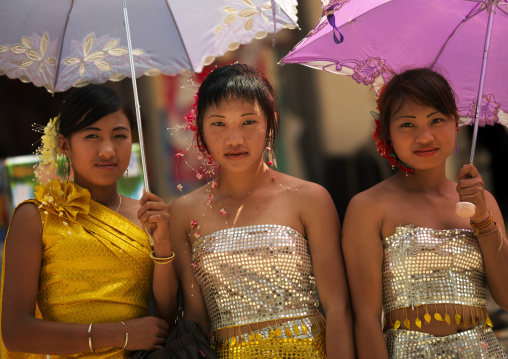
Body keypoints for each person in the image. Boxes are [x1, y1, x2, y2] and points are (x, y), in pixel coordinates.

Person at [169, 64, 354, 358]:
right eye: (218, 124)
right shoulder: (182, 212)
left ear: (270, 122)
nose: (234, 140)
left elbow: (337, 308)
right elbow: (196, 318)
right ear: (199, 128)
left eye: (248, 122)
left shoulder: (310, 198)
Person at [0, 84, 178, 358]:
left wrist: (163, 245)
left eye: (120, 135)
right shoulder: (36, 218)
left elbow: (164, 322)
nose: (108, 150)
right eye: (92, 136)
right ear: (64, 145)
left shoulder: (149, 216)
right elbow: (15, 332)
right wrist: (121, 334)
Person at [342, 68, 508, 358]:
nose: (425, 136)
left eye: (437, 120)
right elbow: (366, 318)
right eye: (408, 124)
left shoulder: (483, 203)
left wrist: (482, 219)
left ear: (456, 124)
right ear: (386, 133)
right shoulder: (368, 207)